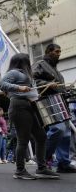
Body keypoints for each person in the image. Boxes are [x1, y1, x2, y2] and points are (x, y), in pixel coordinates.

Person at [0, 53, 60, 180]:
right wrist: (19, 88)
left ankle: (41, 168)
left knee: (41, 136)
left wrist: (48, 85)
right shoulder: (15, 73)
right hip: (19, 106)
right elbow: (1, 84)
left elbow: (34, 92)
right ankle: (20, 170)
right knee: (23, 139)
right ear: (23, 62)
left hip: (30, 106)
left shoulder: (27, 76)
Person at [32, 43, 76, 173]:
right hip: (48, 102)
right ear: (48, 52)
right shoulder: (39, 64)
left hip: (61, 102)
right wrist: (46, 84)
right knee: (58, 129)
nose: (59, 54)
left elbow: (59, 87)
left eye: (60, 52)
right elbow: (32, 80)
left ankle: (63, 163)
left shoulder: (56, 70)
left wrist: (67, 90)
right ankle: (42, 158)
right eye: (56, 51)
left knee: (66, 134)